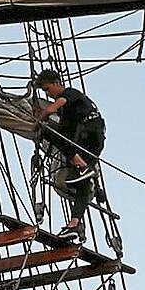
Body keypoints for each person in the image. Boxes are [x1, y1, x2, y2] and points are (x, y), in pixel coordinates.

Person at [34, 69, 105, 240]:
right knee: (83, 184)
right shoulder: (68, 113)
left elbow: (59, 103)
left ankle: (81, 165)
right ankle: (74, 224)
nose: (48, 94)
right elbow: (65, 130)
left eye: (48, 89)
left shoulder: (70, 94)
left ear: (57, 83)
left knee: (50, 133)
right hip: (92, 140)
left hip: (89, 132)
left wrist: (43, 114)